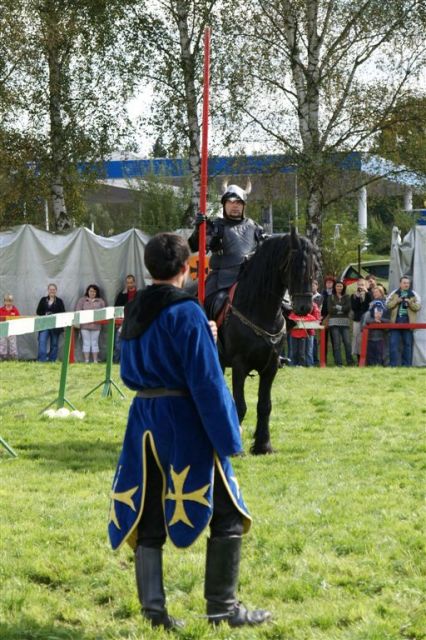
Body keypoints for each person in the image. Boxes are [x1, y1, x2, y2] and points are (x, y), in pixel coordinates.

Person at [108, 232, 270, 630]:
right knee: (228, 512)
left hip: (144, 418)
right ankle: (223, 609)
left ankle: (154, 613)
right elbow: (206, 380)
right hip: (183, 418)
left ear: (149, 269)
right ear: (186, 268)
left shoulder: (134, 309)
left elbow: (129, 370)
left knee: (148, 516)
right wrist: (229, 436)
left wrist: (206, 337)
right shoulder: (187, 312)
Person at [188, 180, 264, 319]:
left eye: (239, 202)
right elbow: (194, 246)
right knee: (201, 307)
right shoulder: (215, 226)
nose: (235, 206)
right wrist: (199, 229)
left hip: (251, 279)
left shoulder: (256, 228)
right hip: (221, 280)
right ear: (224, 204)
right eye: (231, 202)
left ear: (243, 206)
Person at [386, 276, 421, 367]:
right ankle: (393, 365)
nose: (406, 285)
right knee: (393, 344)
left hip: (408, 322)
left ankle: (407, 366)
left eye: (408, 283)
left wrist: (410, 302)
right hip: (395, 321)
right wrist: (397, 301)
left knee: (408, 344)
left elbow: (418, 307)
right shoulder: (394, 293)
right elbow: (388, 305)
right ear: (400, 284)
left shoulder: (413, 294)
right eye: (404, 283)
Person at [75, 284, 106, 363]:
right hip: (85, 325)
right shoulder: (82, 300)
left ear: (96, 293)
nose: (92, 293)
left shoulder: (100, 301)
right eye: (91, 291)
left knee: (95, 342)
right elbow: (78, 311)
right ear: (87, 291)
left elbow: (103, 312)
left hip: (96, 326)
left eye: (94, 291)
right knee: (86, 342)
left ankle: (95, 360)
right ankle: (86, 360)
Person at [36, 283, 66, 362]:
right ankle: (42, 360)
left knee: (54, 344)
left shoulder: (59, 301)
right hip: (44, 324)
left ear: (56, 291)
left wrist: (53, 314)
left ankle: (52, 360)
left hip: (55, 325)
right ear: (48, 290)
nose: (52, 291)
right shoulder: (43, 299)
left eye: (53, 289)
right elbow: (38, 311)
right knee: (42, 342)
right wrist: (45, 313)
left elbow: (63, 313)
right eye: (50, 289)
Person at [326, 280, 353, 366]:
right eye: (337, 286)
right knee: (336, 343)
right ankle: (338, 363)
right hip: (333, 323)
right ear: (334, 287)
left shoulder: (347, 297)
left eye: (341, 286)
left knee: (347, 343)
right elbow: (330, 310)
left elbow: (348, 308)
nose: (339, 288)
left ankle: (350, 362)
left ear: (343, 287)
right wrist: (342, 308)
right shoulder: (330, 297)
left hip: (345, 323)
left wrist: (337, 307)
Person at [362, 286, 390, 366]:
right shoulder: (371, 304)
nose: (375, 294)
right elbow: (367, 319)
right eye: (374, 292)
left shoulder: (386, 304)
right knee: (371, 352)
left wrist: (381, 321)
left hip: (382, 334)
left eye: (377, 292)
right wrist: (373, 321)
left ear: (381, 293)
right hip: (370, 333)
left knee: (381, 352)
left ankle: (382, 365)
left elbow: (389, 319)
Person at [113, 274, 138, 363]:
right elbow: (116, 308)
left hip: (135, 322)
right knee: (118, 342)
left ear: (134, 283)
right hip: (122, 321)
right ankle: (117, 360)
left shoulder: (139, 294)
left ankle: (132, 361)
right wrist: (117, 321)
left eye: (131, 282)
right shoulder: (121, 295)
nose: (130, 284)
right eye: (128, 283)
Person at [350, 278, 372, 363]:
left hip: (367, 321)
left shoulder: (369, 294)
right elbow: (354, 308)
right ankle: (359, 359)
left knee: (366, 339)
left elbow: (370, 305)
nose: (360, 287)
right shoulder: (354, 296)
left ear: (366, 286)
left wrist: (366, 293)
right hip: (358, 320)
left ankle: (368, 359)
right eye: (359, 285)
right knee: (357, 339)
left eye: (362, 285)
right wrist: (357, 298)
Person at [0, 294, 20, 360]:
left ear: (12, 301)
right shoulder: (1, 310)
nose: (8, 303)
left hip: (12, 330)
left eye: (10, 301)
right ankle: (3, 359)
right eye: (7, 301)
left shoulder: (15, 310)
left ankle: (14, 359)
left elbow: (19, 320)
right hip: (3, 330)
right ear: (4, 301)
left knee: (13, 345)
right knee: (2, 344)